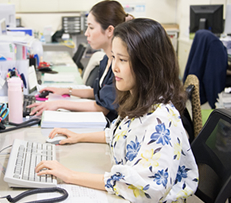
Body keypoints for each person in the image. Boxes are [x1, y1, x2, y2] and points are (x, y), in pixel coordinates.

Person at [35, 18, 199, 202]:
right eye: (113, 57)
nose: (114, 67)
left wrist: (70, 175)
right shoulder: (140, 101)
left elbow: (142, 188)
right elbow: (121, 135)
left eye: (122, 60)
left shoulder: (161, 121)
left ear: (147, 65)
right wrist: (78, 136)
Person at [28, 0, 134, 122]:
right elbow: (99, 93)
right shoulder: (105, 59)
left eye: (91, 27)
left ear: (110, 30)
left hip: (107, 127)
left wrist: (59, 104)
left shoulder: (118, 67)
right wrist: (66, 90)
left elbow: (103, 107)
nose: (86, 33)